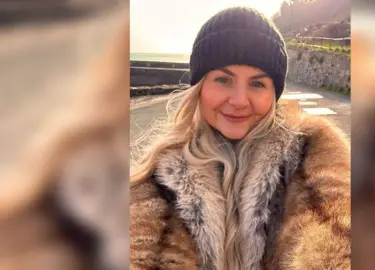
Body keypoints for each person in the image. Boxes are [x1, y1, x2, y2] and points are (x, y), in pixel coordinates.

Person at [130, 6, 351, 270]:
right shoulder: (157, 178)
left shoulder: (310, 153)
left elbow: (337, 227)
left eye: (257, 84)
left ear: (274, 94)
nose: (238, 101)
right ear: (199, 87)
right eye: (223, 80)